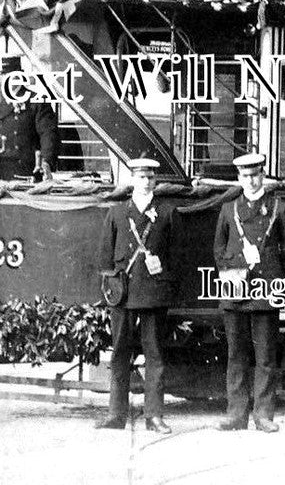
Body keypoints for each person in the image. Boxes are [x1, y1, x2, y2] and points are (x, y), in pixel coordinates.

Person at [214, 152, 285, 433]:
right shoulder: (229, 210)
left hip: (266, 291)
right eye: (245, 176)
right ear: (238, 178)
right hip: (236, 290)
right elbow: (219, 251)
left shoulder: (280, 208)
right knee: (236, 354)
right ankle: (236, 414)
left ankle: (263, 415)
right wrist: (235, 272)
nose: (250, 181)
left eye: (255, 175)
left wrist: (272, 275)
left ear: (262, 175)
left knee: (265, 356)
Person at [96, 158, 176, 432]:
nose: (146, 182)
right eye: (141, 177)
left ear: (155, 180)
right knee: (120, 352)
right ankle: (116, 414)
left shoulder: (166, 213)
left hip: (154, 291)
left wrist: (164, 278)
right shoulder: (118, 213)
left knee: (154, 354)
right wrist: (110, 289)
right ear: (132, 179)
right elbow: (106, 258)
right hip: (124, 291)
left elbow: (176, 256)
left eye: (150, 177)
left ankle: (154, 416)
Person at [0, 56, 59, 180]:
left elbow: (48, 136)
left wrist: (46, 163)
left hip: (28, 175)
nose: (8, 79)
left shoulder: (37, 102)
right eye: (4, 75)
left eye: (13, 75)